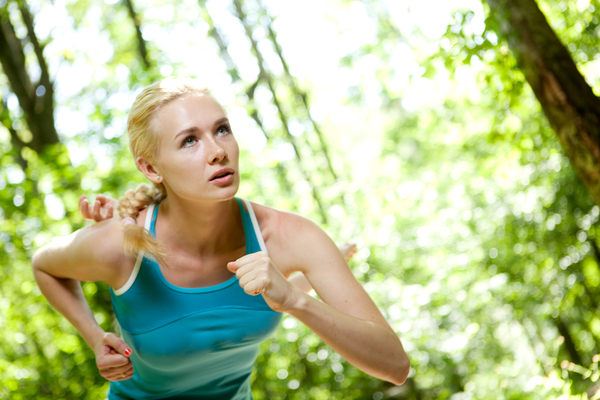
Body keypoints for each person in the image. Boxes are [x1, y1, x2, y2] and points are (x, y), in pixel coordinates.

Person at [32, 77, 410, 399]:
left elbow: (395, 365)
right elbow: (44, 266)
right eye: (189, 141)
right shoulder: (119, 244)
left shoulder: (289, 237)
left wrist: (296, 299)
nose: (217, 152)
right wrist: (94, 337)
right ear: (150, 167)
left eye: (222, 129)